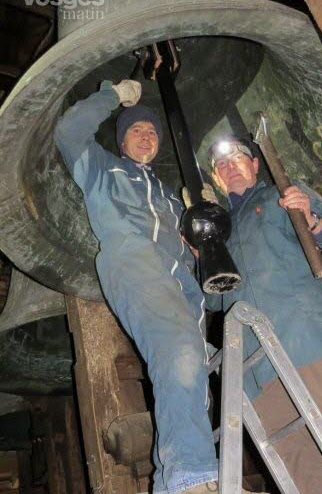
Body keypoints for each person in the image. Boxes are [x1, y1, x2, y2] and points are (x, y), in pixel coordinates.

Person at [54, 81, 263, 494]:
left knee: (192, 368)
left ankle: (181, 477)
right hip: (135, 264)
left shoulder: (170, 198)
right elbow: (68, 131)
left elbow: (193, 258)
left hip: (180, 284)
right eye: (136, 130)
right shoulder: (102, 167)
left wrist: (202, 230)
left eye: (152, 131)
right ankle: (191, 474)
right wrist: (114, 95)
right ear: (121, 139)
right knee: (179, 352)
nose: (146, 135)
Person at [207, 137, 322, 494]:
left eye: (237, 157)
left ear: (255, 164)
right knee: (293, 452)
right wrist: (200, 258)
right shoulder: (219, 230)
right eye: (221, 164)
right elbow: (214, 301)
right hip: (252, 361)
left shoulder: (283, 195)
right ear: (216, 179)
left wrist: (311, 218)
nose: (230, 165)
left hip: (301, 331)